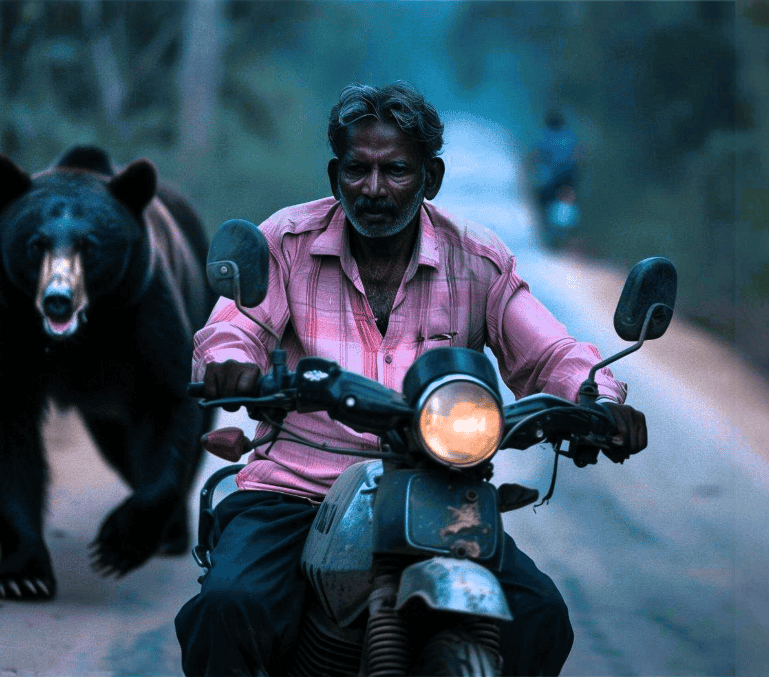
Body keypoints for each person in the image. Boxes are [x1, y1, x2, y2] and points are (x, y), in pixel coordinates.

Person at [175, 81, 647, 677]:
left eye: (396, 170)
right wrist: (231, 365)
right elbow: (232, 328)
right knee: (228, 606)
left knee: (540, 616)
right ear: (334, 174)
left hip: (438, 494)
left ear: (432, 177)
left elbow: (551, 352)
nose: (373, 189)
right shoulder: (286, 243)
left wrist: (598, 400)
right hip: (296, 488)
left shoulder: (476, 259)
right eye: (358, 169)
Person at [532, 109, 580, 209]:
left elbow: (538, 156)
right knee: (567, 202)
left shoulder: (546, 136)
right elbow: (577, 155)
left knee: (544, 199)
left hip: (552, 176)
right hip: (568, 174)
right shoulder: (570, 136)